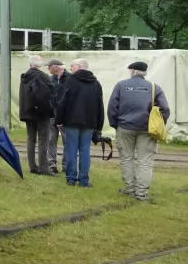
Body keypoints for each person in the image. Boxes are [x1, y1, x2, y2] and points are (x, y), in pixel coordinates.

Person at [107, 61, 170, 202]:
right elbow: (165, 109)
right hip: (147, 129)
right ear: (145, 72)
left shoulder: (121, 85)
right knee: (145, 161)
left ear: (131, 71)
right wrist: (159, 125)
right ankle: (141, 193)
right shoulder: (154, 87)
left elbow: (112, 107)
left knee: (126, 159)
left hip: (124, 127)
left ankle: (129, 189)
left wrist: (115, 124)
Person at [55, 58, 104, 187]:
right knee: (85, 150)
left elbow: (62, 102)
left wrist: (59, 120)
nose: (70, 68)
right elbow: (100, 106)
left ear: (78, 66)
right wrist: (99, 126)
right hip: (89, 122)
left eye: (72, 66)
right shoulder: (95, 83)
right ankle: (83, 179)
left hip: (72, 120)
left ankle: (71, 178)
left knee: (71, 149)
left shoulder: (70, 81)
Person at [19, 55, 53, 175]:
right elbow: (52, 93)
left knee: (30, 139)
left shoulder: (24, 77)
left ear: (30, 64)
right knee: (43, 139)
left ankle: (32, 166)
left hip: (28, 112)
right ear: (40, 65)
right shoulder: (44, 77)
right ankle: (43, 167)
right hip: (42, 113)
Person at [47, 58, 71, 174]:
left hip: (66, 115)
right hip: (52, 114)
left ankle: (66, 165)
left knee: (67, 140)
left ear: (55, 67)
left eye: (49, 66)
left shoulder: (70, 79)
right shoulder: (50, 79)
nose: (48, 68)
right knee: (51, 139)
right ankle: (51, 164)